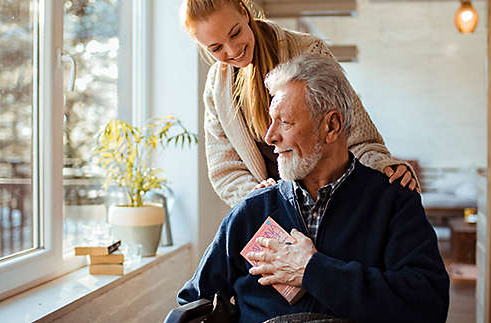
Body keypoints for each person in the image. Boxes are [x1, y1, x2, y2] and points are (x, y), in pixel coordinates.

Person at [177, 55, 450, 323]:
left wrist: (313, 270)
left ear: (331, 126)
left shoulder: (393, 202)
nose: (270, 136)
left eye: (285, 122)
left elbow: (428, 306)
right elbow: (192, 302)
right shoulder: (252, 211)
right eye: (271, 121)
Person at [181, 0, 419, 207]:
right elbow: (225, 169)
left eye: (235, 33)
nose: (232, 50)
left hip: (332, 199)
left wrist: (383, 166)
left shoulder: (308, 51)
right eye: (216, 48)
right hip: (271, 212)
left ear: (244, 13)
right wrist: (256, 197)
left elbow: (355, 132)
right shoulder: (216, 87)